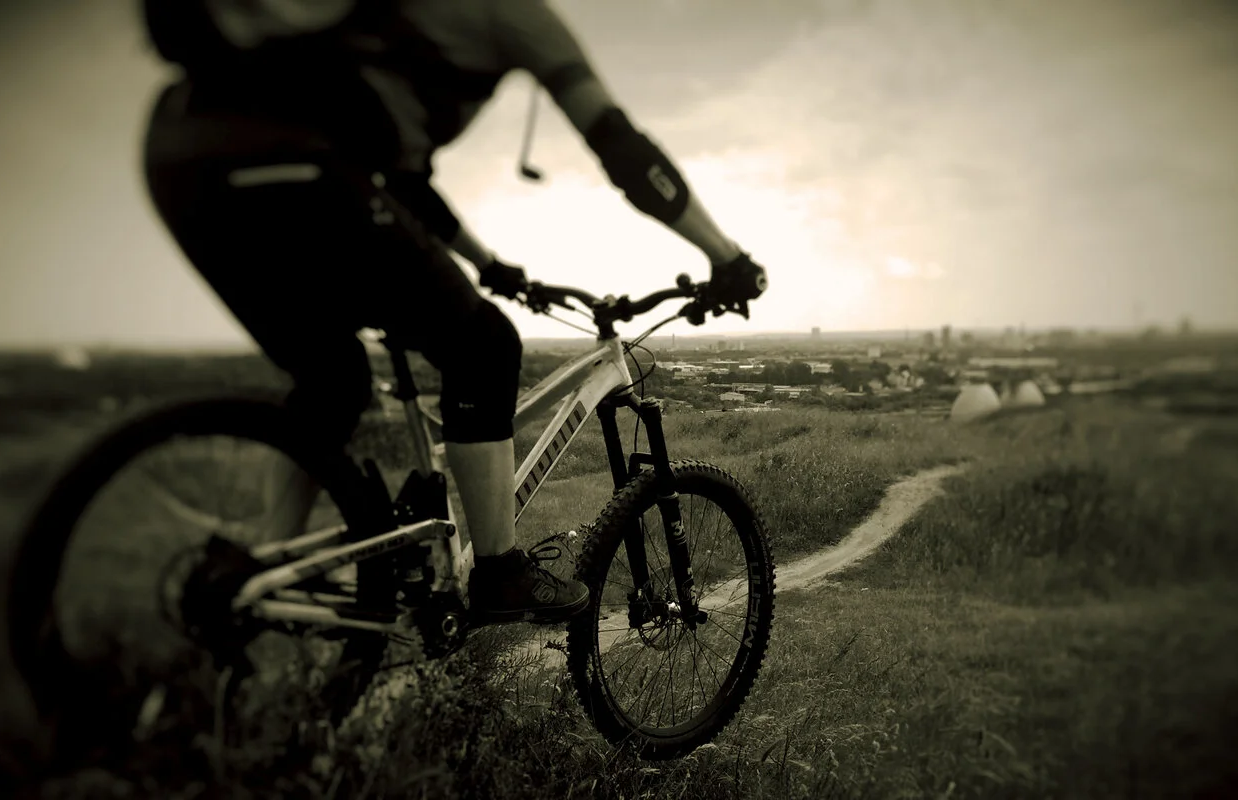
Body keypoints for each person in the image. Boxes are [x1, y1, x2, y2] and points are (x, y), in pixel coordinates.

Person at [140, 0, 768, 625]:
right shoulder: (516, 14)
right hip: (290, 161)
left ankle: (256, 571)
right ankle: (499, 573)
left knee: (333, 377)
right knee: (484, 346)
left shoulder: (395, 38)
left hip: (180, 157)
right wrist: (725, 254)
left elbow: (404, 183)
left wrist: (489, 265)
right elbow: (620, 145)